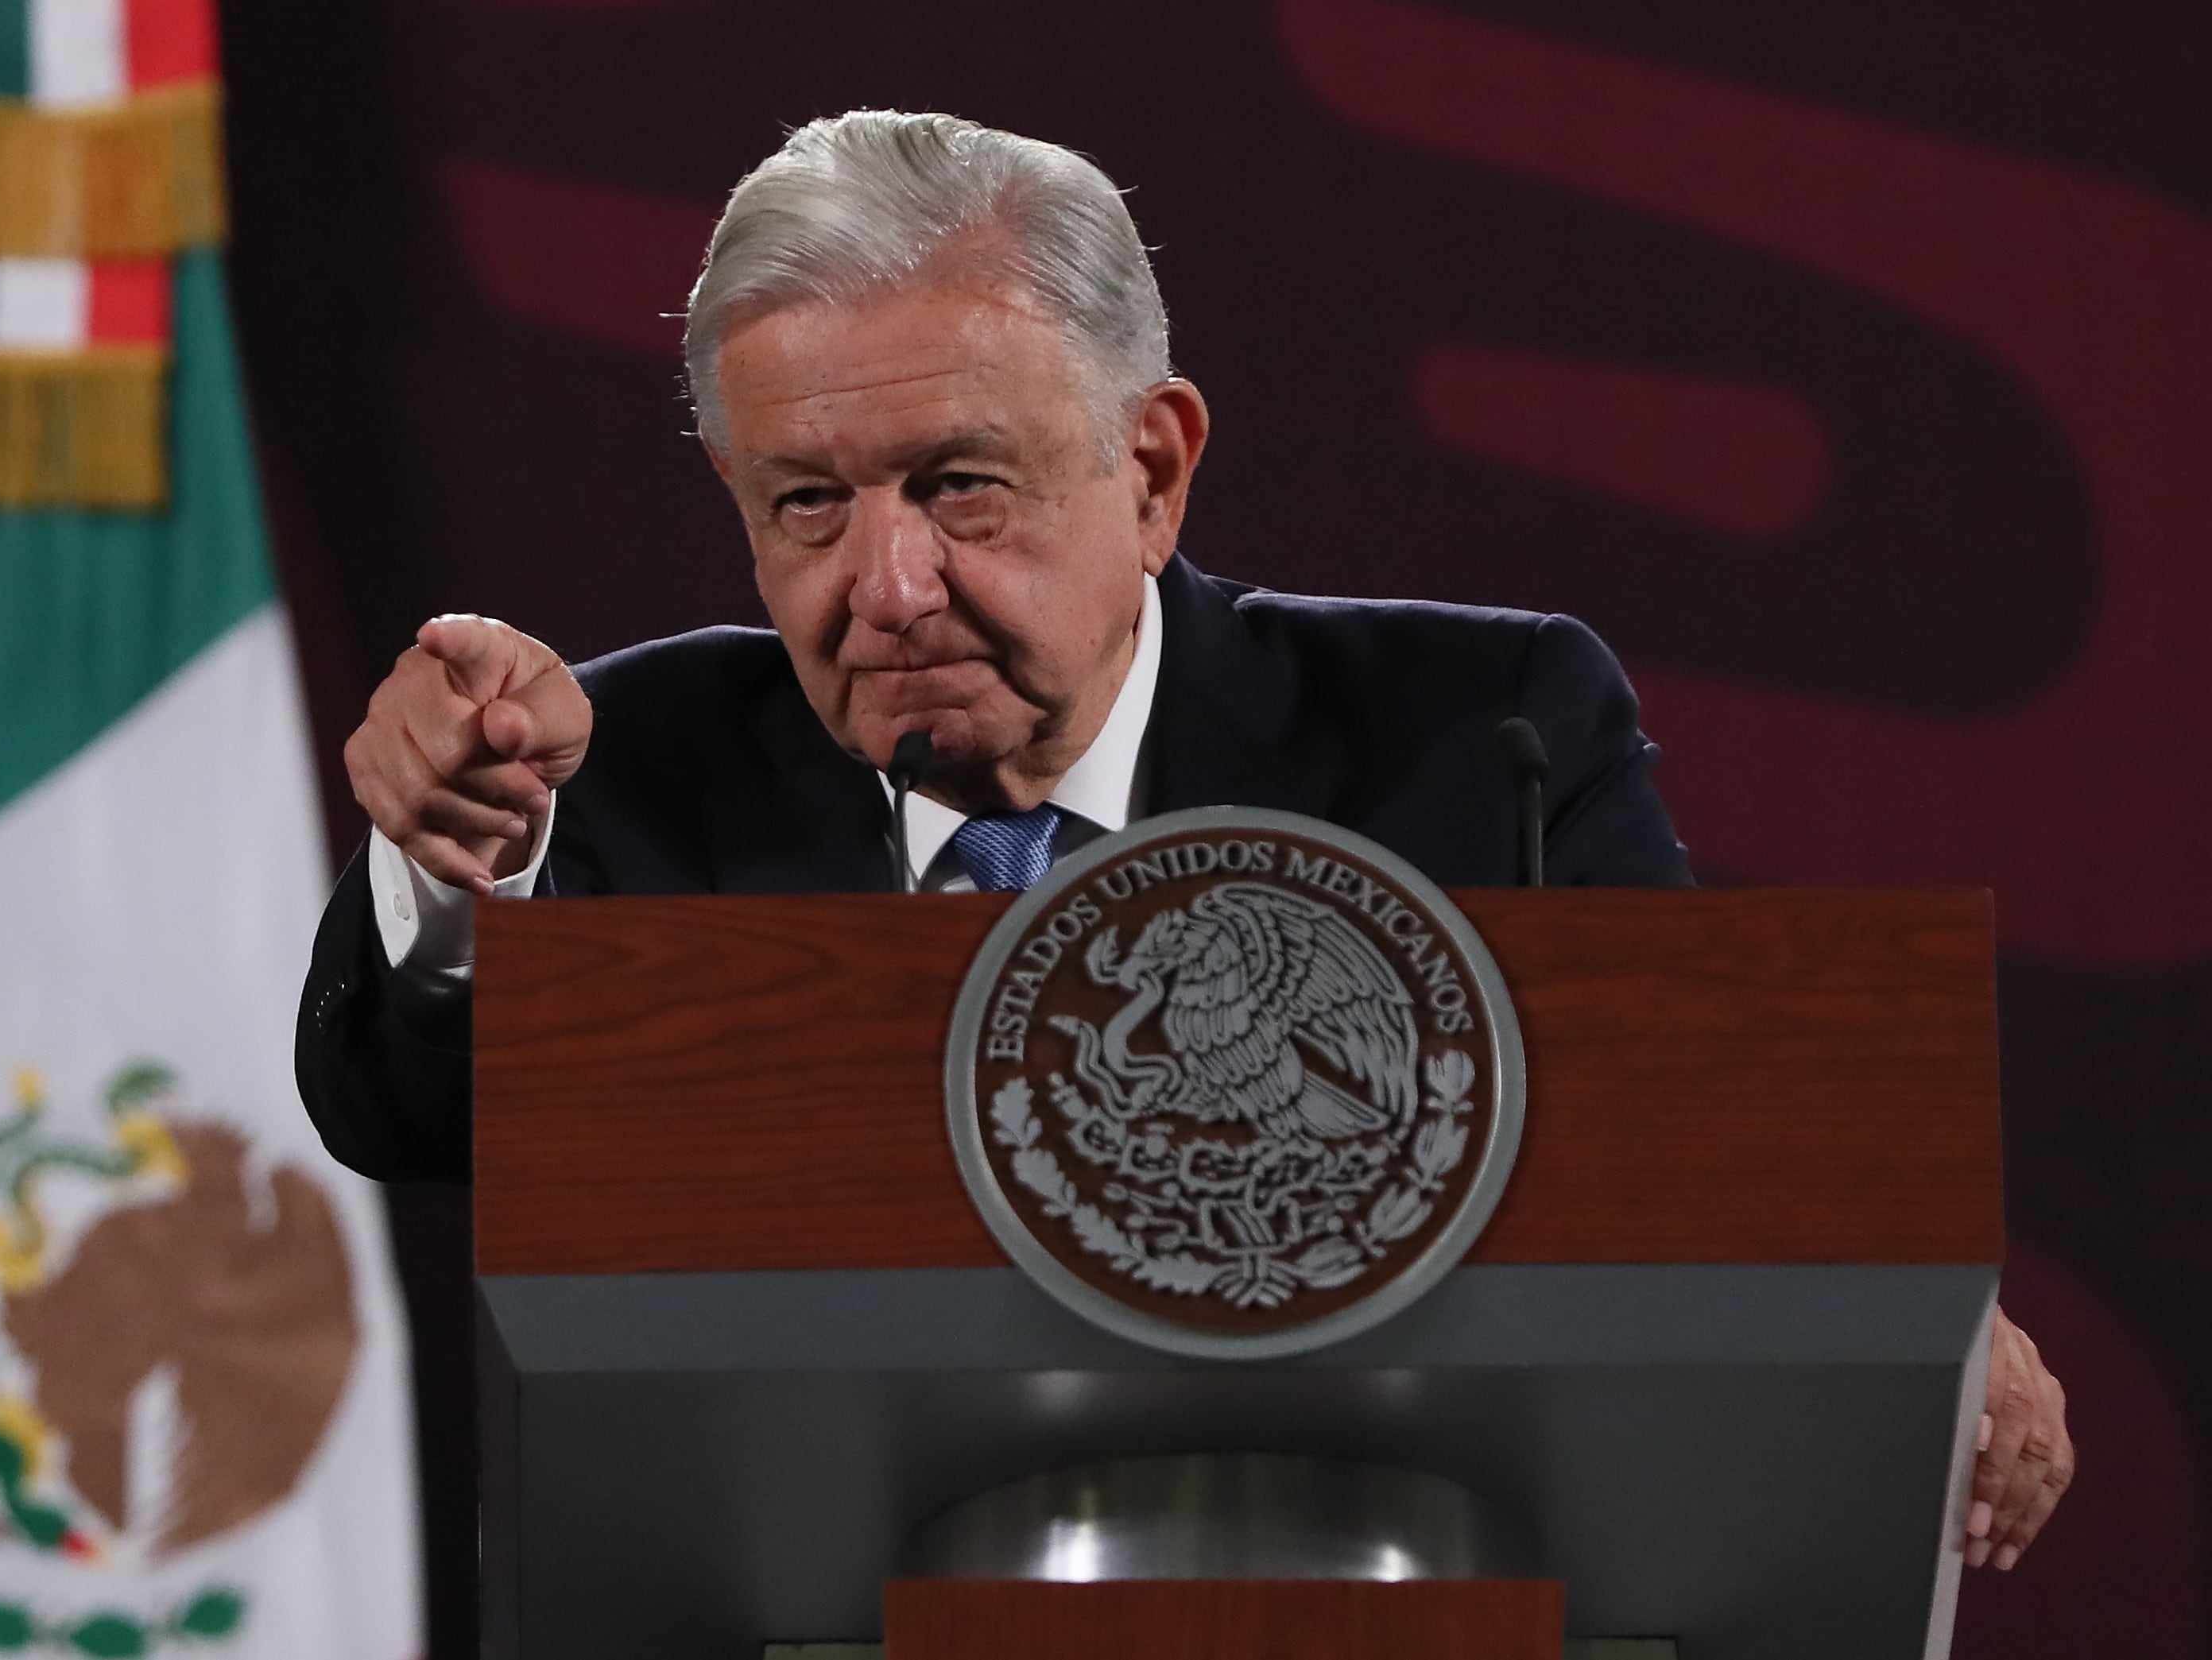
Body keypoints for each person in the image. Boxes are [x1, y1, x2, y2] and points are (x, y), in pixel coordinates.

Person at [294, 110, 2071, 1569]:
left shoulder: (1477, 736)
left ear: (1149, 471)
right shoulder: (629, 766)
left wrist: (1893, 1305)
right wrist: (463, 866)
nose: (886, 584)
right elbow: (400, 1109)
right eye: (807, 508)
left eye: (958, 485)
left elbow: (1688, 1130)